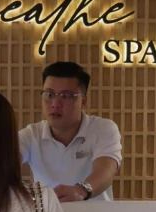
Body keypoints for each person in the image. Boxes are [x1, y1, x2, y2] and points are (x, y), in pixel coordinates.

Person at [19, 61, 123, 202]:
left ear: (83, 101)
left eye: (66, 96)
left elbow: (106, 171)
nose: (55, 104)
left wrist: (81, 190)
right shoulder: (31, 135)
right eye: (49, 94)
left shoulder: (103, 129)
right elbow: (5, 164)